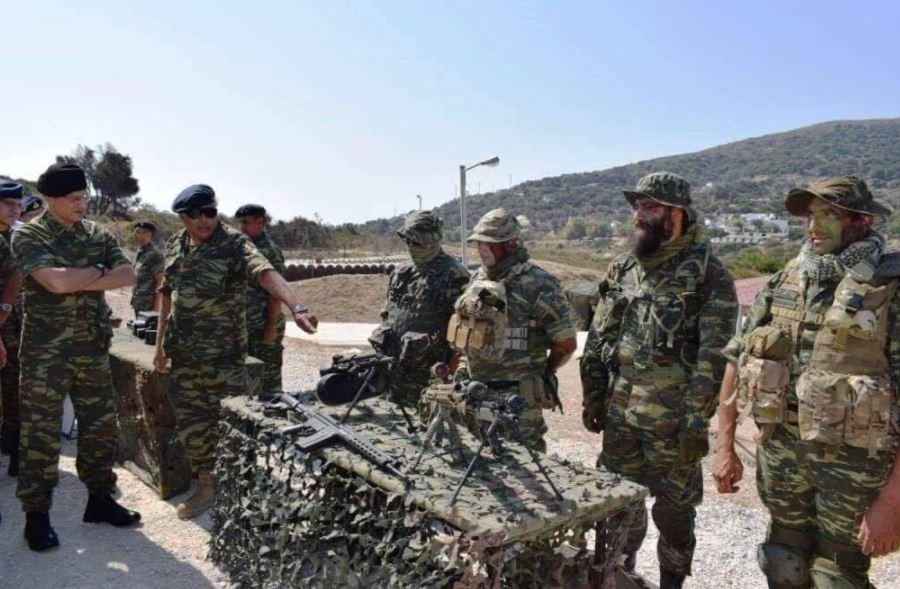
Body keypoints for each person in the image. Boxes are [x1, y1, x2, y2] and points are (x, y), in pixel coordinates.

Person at [713, 175, 900, 589]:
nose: (814, 226)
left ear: (863, 221)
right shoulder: (786, 280)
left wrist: (892, 501)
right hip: (782, 459)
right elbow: (735, 360)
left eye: (829, 214)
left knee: (837, 578)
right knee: (784, 564)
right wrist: (724, 447)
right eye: (810, 215)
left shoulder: (888, 288)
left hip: (853, 469)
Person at [580, 172, 738, 588]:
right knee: (617, 504)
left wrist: (695, 423)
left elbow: (714, 358)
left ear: (676, 213)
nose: (638, 215)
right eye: (637, 206)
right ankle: (620, 576)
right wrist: (593, 395)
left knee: (674, 513)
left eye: (649, 206)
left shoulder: (708, 274)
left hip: (674, 423)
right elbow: (599, 336)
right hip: (621, 414)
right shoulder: (624, 267)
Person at [154, 185, 318, 519]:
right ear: (182, 218)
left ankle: (240, 486)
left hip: (224, 357)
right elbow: (167, 294)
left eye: (210, 212)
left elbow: (265, 272)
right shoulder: (175, 244)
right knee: (193, 423)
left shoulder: (233, 243)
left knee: (230, 423)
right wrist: (159, 347)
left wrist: (296, 305)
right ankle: (207, 485)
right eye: (195, 215)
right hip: (184, 354)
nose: (204, 220)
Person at [12, 162, 141, 552]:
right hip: (45, 354)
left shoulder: (96, 233)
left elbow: (127, 275)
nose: (82, 204)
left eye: (84, 197)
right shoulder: (29, 235)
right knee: (40, 434)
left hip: (91, 349)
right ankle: (36, 515)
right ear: (50, 199)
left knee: (100, 426)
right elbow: (54, 282)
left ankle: (100, 499)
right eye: (73, 199)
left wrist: (79, 277)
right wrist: (98, 272)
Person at [449, 208, 576, 452]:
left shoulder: (539, 284)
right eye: (479, 243)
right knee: (476, 464)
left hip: (517, 404)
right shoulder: (477, 279)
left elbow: (566, 344)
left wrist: (543, 373)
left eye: (489, 243)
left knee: (525, 465)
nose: (482, 249)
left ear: (511, 243)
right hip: (474, 394)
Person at [369, 211, 469, 409]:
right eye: (409, 241)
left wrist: (449, 377)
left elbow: (463, 338)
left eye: (418, 242)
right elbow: (389, 315)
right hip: (395, 373)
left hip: (431, 378)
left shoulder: (455, 275)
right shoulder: (401, 273)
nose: (412, 246)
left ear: (434, 241)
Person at [234, 204, 287, 394]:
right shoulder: (243, 248)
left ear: (260, 222)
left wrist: (271, 326)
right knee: (247, 372)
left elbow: (276, 292)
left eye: (246, 222)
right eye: (240, 223)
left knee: (268, 376)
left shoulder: (270, 251)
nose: (242, 227)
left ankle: (274, 407)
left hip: (264, 324)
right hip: (246, 325)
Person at [0, 182, 23, 476]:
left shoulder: (16, 237)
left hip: (16, 326)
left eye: (18, 205)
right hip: (4, 325)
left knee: (15, 387)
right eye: (8, 204)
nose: (15, 210)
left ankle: (15, 448)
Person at [130, 220, 164, 317]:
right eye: (136, 232)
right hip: (139, 303)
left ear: (150, 235)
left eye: (139, 232)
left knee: (145, 327)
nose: (137, 235)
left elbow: (160, 282)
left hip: (149, 306)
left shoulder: (155, 254)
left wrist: (156, 309)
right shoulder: (141, 251)